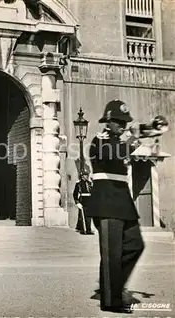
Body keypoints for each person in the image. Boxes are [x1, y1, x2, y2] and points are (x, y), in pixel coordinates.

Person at [88, 99, 145, 314]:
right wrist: (131, 139)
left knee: (135, 245)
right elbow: (113, 154)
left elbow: (133, 153)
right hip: (107, 202)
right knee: (112, 252)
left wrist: (143, 134)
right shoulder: (99, 140)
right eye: (119, 122)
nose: (122, 126)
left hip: (122, 200)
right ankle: (111, 301)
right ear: (109, 121)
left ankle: (111, 286)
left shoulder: (120, 141)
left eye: (125, 122)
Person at [73, 170, 94, 235]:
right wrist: (77, 202)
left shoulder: (90, 183)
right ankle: (82, 230)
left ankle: (88, 229)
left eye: (87, 175)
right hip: (82, 200)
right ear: (82, 176)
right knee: (82, 216)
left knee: (88, 216)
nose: (86, 176)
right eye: (85, 175)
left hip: (89, 200)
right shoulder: (78, 183)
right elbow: (75, 194)